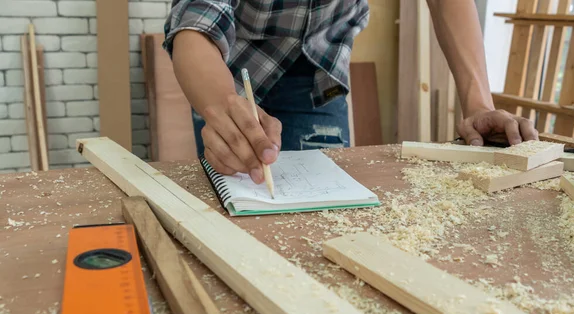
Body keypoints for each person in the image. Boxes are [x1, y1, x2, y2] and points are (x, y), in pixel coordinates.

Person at [164, 0, 538, 185]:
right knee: (241, 191)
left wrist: (478, 104)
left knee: (326, 206)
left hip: (318, 72)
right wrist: (221, 105)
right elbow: (197, 20)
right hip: (228, 69)